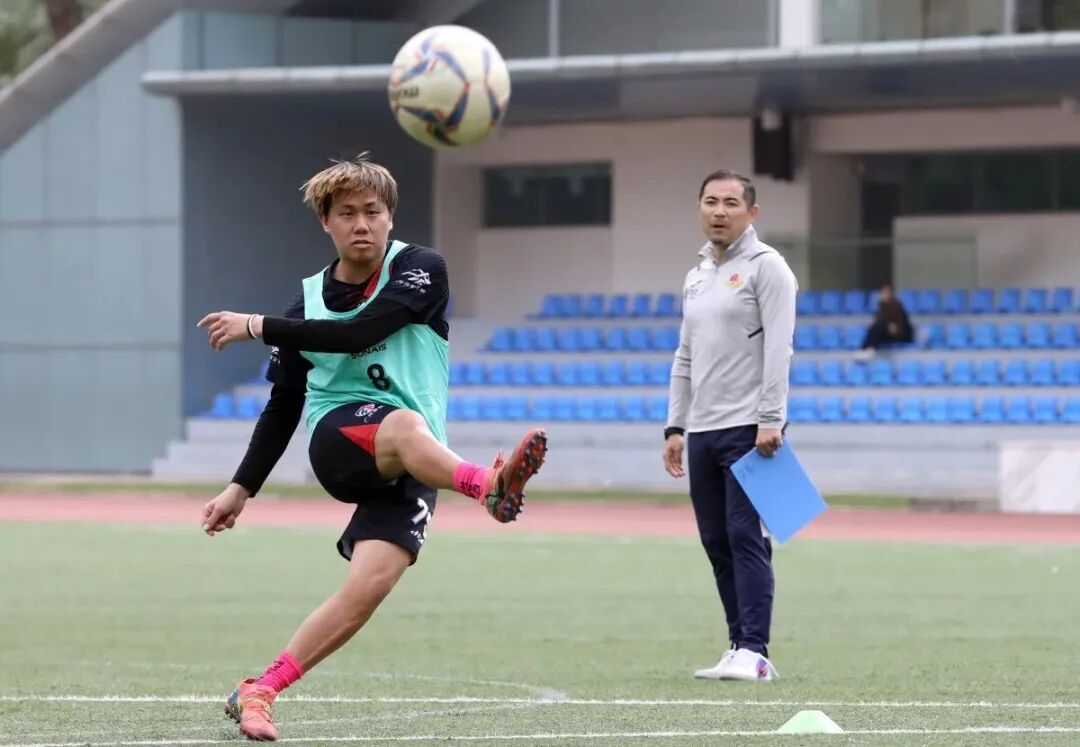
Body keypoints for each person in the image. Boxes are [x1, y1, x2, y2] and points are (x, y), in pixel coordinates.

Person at [196, 153, 547, 741]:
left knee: (368, 588)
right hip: (340, 442)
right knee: (404, 424)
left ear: (390, 217)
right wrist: (241, 487)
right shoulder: (305, 304)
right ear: (325, 222)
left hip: (414, 457)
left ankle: (260, 690)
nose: (362, 224)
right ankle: (490, 487)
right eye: (347, 213)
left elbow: (359, 331)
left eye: (372, 211)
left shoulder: (421, 268)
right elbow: (283, 406)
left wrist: (256, 325)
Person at [662, 169, 797, 682]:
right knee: (716, 540)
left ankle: (757, 651)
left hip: (750, 427)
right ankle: (738, 644)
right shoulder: (696, 276)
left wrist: (771, 418)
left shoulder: (768, 268)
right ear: (699, 208)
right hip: (703, 430)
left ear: (752, 212)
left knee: (746, 535)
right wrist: (675, 426)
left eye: (731, 203)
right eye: (711, 201)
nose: (720, 211)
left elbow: (780, 347)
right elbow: (685, 355)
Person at [855, 283, 915, 360]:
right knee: (874, 329)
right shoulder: (881, 307)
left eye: (887, 293)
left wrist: (893, 327)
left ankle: (869, 349)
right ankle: (867, 349)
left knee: (877, 329)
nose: (884, 295)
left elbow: (901, 324)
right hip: (886, 332)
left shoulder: (896, 305)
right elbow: (880, 321)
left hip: (900, 334)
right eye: (883, 293)